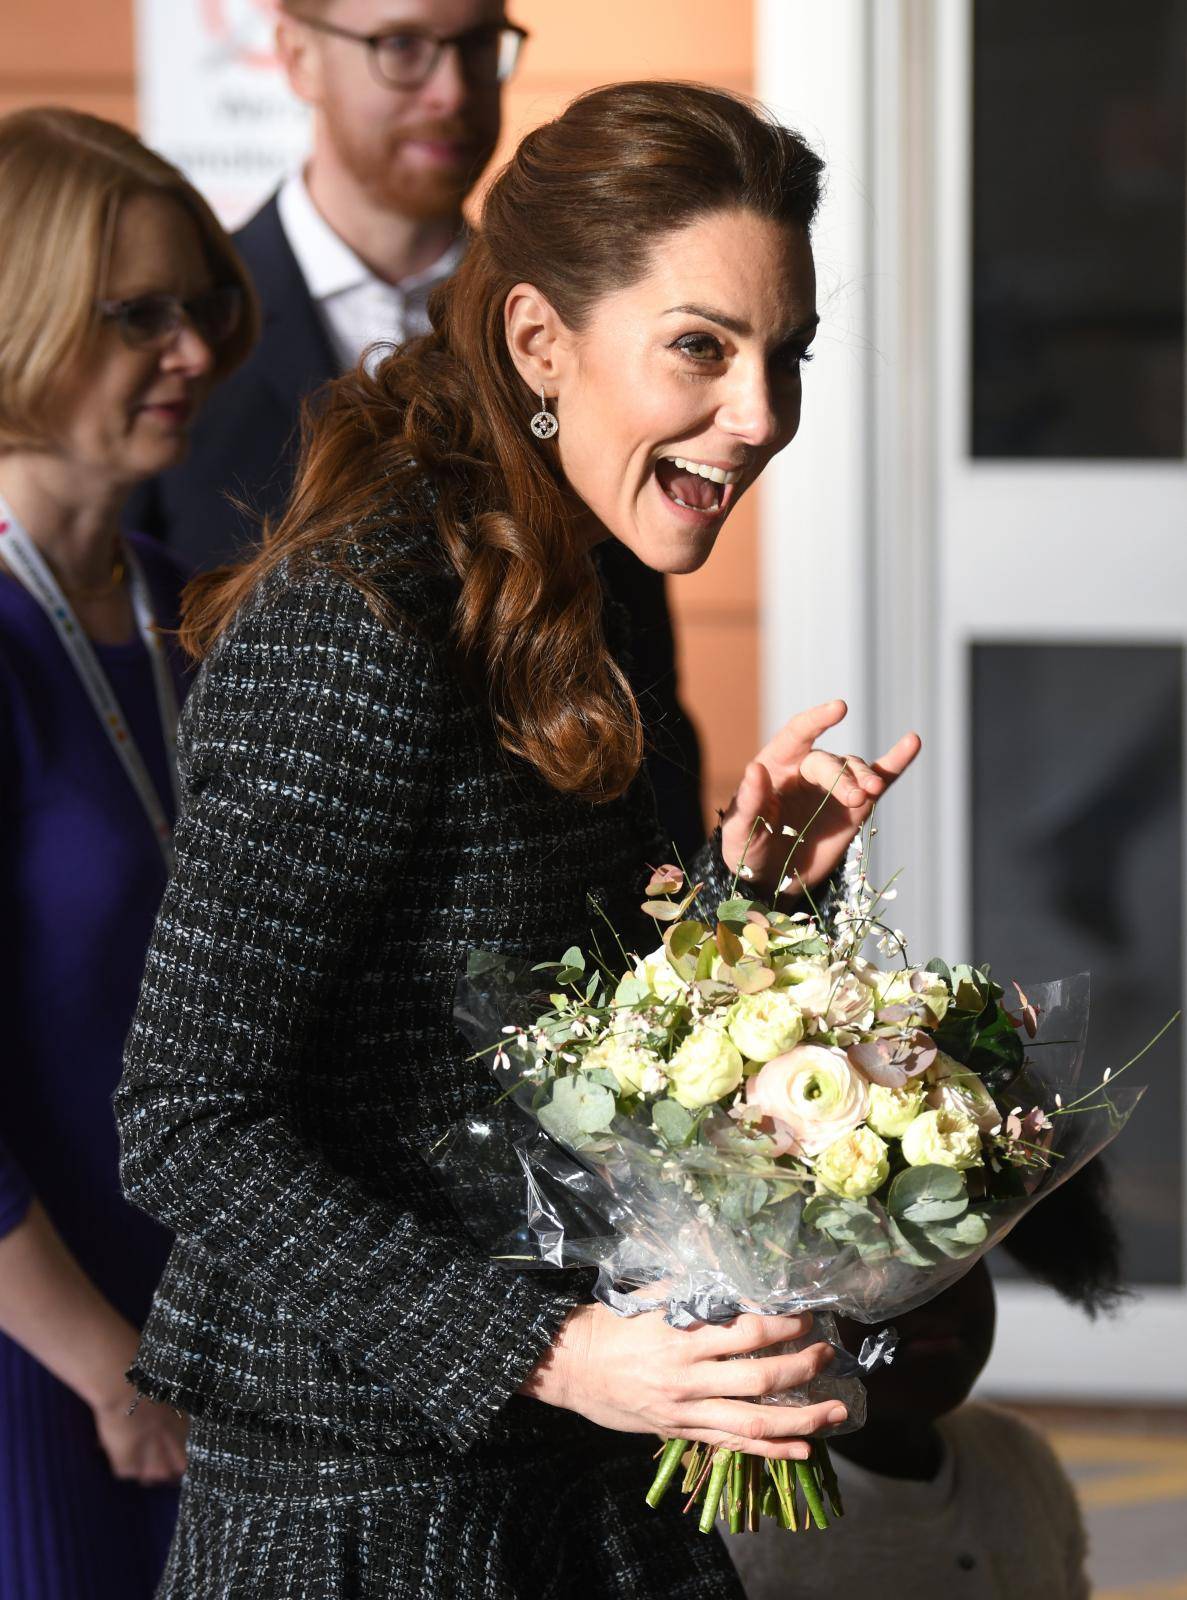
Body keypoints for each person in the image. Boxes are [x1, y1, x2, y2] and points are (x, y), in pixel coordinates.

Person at [115, 81, 922, 1597]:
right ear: (541, 342)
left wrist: (747, 914)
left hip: (591, 1487)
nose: (759, 416)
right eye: (702, 345)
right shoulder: (358, 623)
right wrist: (552, 1352)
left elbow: (549, 1050)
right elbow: (186, 1119)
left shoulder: (596, 574)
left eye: (784, 356)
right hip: (364, 1520)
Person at [124, 0, 708, 859]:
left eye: (477, 46)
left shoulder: (579, 330)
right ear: (295, 54)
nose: (452, 91)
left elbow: (636, 690)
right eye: (401, 46)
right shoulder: (181, 339)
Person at [0, 107, 256, 1599]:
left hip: (219, 1338)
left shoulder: (201, 610)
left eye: (204, 306)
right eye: (137, 316)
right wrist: (104, 1363)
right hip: (49, 1361)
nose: (193, 354)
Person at [724, 1239, 1105, 1600]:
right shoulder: (742, 1522)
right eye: (878, 1272)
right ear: (782, 1305)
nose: (933, 1295)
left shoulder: (1015, 1452)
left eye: (959, 1257)